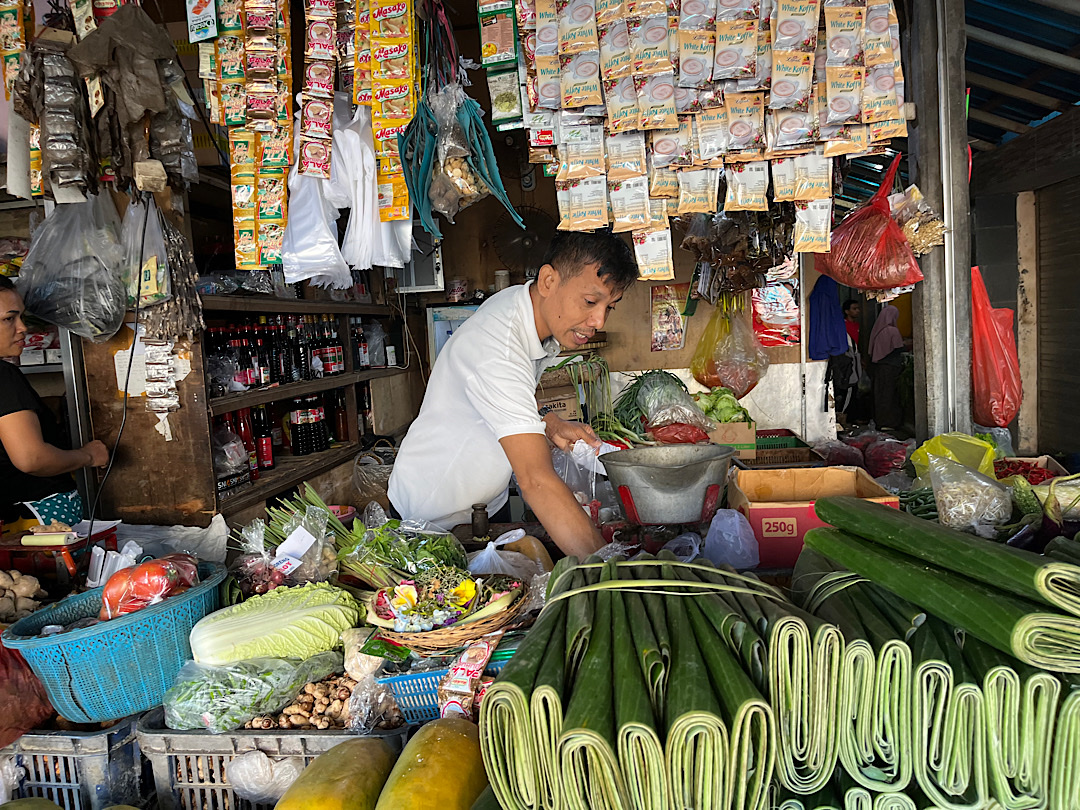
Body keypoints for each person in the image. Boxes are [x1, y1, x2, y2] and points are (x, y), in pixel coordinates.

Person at [388, 231, 637, 557]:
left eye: (610, 307)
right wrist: (611, 568)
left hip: (486, 505)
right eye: (590, 301)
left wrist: (548, 422)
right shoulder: (498, 345)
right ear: (548, 281)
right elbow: (536, 480)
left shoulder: (524, 309)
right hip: (432, 519)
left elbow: (506, 393)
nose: (598, 320)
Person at [0, 275, 109, 529]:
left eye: (21, 317)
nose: (23, 327)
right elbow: (31, 458)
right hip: (34, 517)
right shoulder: (3, 376)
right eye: (9, 319)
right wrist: (87, 456)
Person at [867, 304, 906, 431]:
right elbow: (898, 348)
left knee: (881, 394)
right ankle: (889, 422)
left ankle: (881, 421)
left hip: (879, 367)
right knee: (890, 395)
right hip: (890, 367)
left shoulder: (878, 331)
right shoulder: (892, 331)